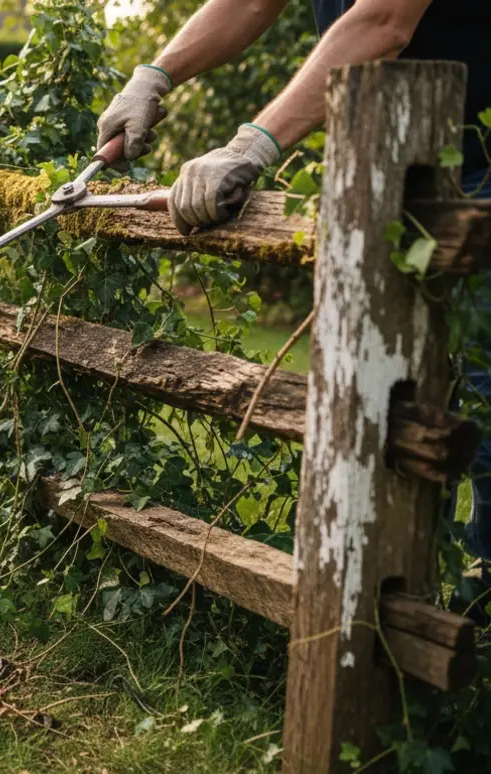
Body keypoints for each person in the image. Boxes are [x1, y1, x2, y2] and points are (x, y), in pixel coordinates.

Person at [96, 0, 491, 558]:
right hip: (392, 166)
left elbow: (384, 23)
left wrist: (251, 145)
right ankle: (415, 606)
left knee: (486, 407)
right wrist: (153, 76)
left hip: (480, 167)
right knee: (399, 405)